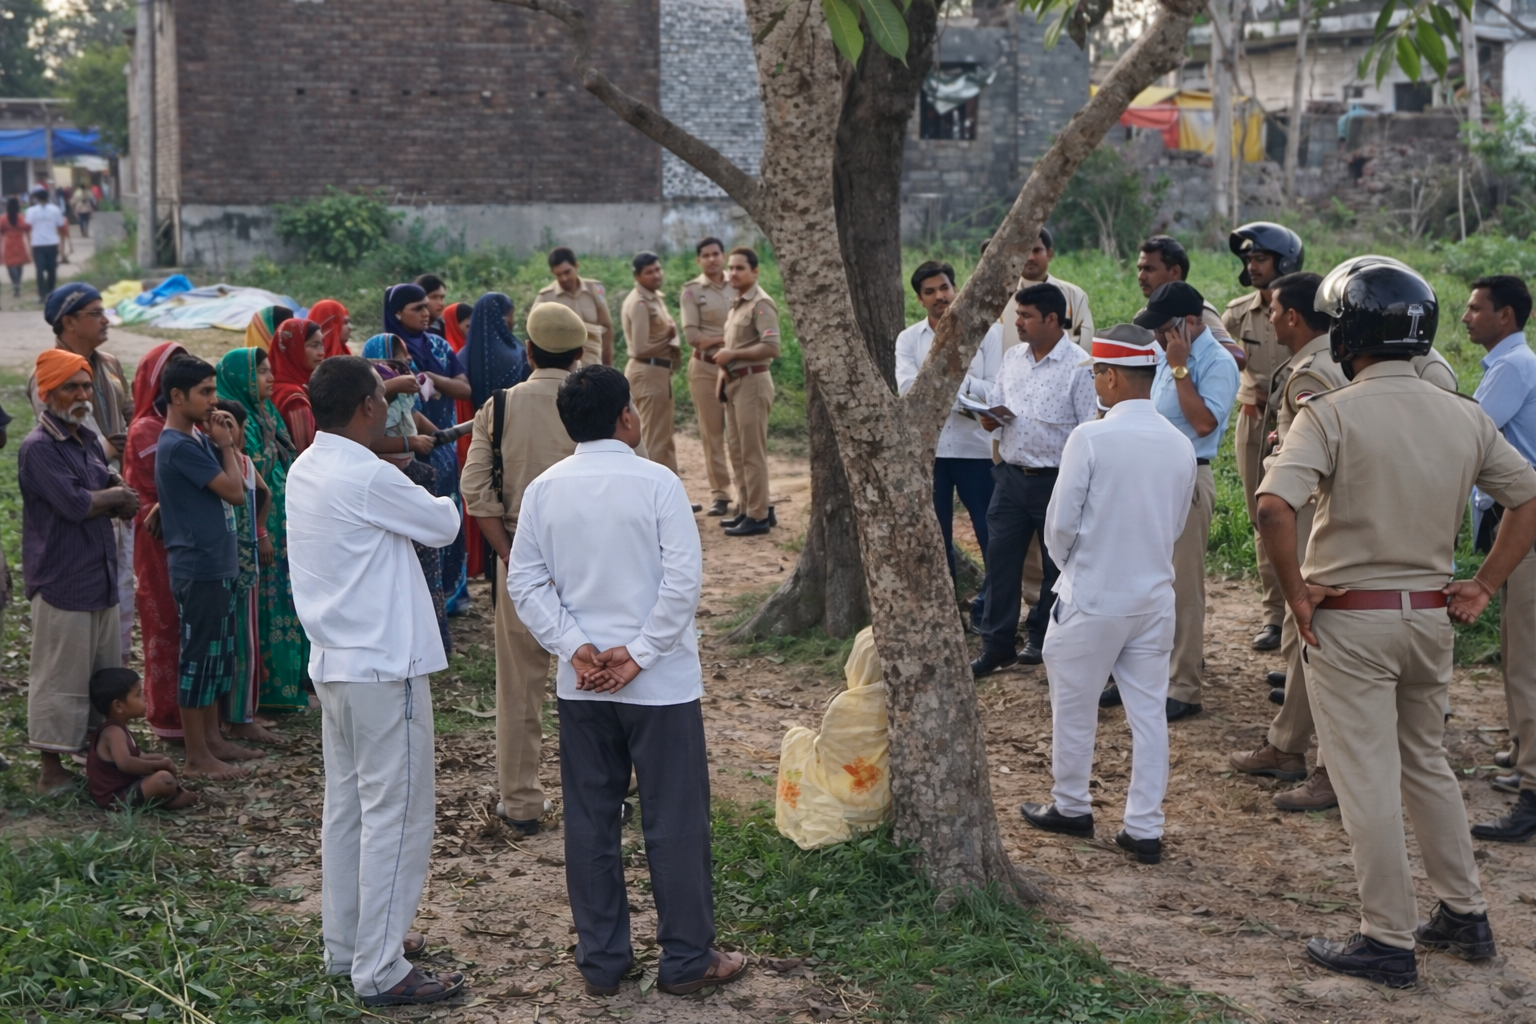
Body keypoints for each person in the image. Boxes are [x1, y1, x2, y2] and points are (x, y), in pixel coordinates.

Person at [1256, 257, 1536, 987]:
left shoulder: (1334, 412)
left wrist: (1296, 596)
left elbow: (1272, 506)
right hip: (1429, 620)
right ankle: (1464, 915)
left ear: (1349, 333)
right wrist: (1482, 583)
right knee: (1428, 767)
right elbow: (1527, 498)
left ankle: (1386, 938)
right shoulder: (1464, 412)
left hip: (1352, 622)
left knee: (1367, 781)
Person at [508, 363, 746, 998]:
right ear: (626, 417)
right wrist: (638, 655)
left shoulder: (544, 490)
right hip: (660, 685)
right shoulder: (657, 483)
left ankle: (604, 962)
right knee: (675, 819)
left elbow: (524, 583)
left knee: (590, 820)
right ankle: (688, 958)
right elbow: (682, 583)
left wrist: (576, 649)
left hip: (583, 684)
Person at [285, 356, 464, 1008]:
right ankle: (381, 968)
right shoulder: (364, 473)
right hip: (385, 667)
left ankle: (350, 943)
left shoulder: (306, 465)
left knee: (350, 808)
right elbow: (444, 523)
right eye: (381, 403)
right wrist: (415, 475)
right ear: (367, 407)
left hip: (335, 663)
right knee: (398, 813)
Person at [1019, 325, 1196, 865]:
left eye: (1097, 371)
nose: (1096, 380)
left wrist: (1078, 569)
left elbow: (1059, 527)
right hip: (1152, 597)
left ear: (1111, 376)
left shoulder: (1091, 438)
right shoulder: (1179, 442)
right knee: (1148, 715)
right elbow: (1177, 522)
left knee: (1073, 708)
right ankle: (1144, 827)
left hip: (1093, 596)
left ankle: (1071, 805)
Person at [462, 303, 585, 835]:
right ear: (580, 355)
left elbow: (475, 492)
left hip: (522, 558)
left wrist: (509, 552)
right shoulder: (596, 400)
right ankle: (607, 791)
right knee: (598, 676)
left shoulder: (499, 406)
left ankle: (521, 803)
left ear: (528, 352)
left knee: (519, 687)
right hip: (590, 560)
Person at [1227, 272, 1344, 812]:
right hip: (1309, 514)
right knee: (1305, 640)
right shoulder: (1321, 362)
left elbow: (1322, 461)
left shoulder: (1313, 374)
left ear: (1293, 316)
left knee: (1314, 636)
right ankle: (1287, 744)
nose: (1268, 318)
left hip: (1307, 516)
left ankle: (1308, 756)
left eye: (1273, 310)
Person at [1101, 282, 1239, 721]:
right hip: (1147, 477)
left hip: (1186, 477)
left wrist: (1181, 368)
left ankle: (1183, 684)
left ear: (1190, 322)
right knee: (1137, 577)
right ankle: (1134, 674)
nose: (1159, 339)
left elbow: (1202, 424)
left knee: (1181, 587)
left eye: (1164, 330)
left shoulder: (1215, 362)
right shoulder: (1162, 355)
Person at [20, 349, 137, 794]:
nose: (82, 394)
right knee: (58, 678)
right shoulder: (38, 449)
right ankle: (51, 772)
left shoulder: (86, 439)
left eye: (86, 386)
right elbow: (75, 504)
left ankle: (100, 764)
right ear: (48, 394)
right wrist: (116, 497)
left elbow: (105, 482)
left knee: (100, 674)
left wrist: (115, 490)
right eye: (71, 387)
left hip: (98, 572)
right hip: (62, 579)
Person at [971, 283, 1096, 677]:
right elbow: (998, 402)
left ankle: (1043, 638)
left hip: (1056, 481)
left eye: (1025, 316)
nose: (1016, 322)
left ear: (1052, 319)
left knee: (1055, 566)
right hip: (1009, 476)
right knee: (1000, 561)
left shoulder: (1080, 366)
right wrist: (989, 418)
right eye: (1017, 314)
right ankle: (996, 645)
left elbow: (1088, 429)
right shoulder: (1013, 357)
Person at [157, 354, 263, 779]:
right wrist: (225, 446)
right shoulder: (179, 445)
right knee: (199, 659)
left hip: (215, 563)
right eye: (204, 392)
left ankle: (214, 740)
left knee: (218, 656)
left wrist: (222, 444)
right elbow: (236, 493)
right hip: (198, 567)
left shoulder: (194, 439)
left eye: (214, 390)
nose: (214, 401)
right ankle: (197, 756)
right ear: (177, 396)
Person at [1462, 275, 1536, 840]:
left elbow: (1467, 431)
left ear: (1505, 316)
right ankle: (1521, 753)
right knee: (1517, 647)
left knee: (1527, 657)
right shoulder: (1509, 365)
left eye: (1476, 308)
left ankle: (1532, 790)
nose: (1466, 317)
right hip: (1513, 521)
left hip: (1524, 523)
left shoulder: (1512, 368)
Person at [895, 260, 1003, 630]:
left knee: (992, 537)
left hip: (977, 450)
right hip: (932, 454)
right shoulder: (909, 340)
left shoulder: (987, 335)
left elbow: (995, 392)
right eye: (930, 291)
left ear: (956, 288)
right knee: (935, 539)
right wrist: (963, 382)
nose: (940, 296)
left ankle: (989, 615)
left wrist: (947, 383)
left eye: (945, 287)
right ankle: (945, 618)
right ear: (920, 298)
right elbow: (909, 392)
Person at [35, 283, 135, 662]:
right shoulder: (50, 372)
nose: (105, 320)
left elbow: (129, 412)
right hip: (81, 495)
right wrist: (106, 451)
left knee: (121, 584)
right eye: (95, 314)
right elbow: (54, 439)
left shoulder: (108, 364)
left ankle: (114, 688)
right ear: (69, 322)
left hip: (118, 490)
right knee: (86, 589)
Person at [1223, 223, 1305, 653]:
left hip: (1304, 419)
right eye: (1248, 260)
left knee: (1305, 515)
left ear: (1285, 261)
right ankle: (1274, 616)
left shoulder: (1311, 305)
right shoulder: (1238, 312)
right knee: (1262, 515)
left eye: (1260, 259)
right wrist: (1244, 391)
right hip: (1256, 420)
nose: (1252, 266)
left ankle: (1301, 610)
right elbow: (1221, 354)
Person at [217, 347, 311, 715]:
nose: (269, 378)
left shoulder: (267, 412)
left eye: (270, 370)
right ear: (241, 378)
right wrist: (262, 531)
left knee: (287, 600)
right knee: (266, 606)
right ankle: (269, 691)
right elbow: (250, 478)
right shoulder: (238, 422)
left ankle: (293, 682)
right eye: (260, 372)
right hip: (260, 526)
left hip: (282, 522)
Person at [384, 283, 473, 616]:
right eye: (417, 308)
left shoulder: (438, 345)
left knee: (448, 514)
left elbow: (464, 389)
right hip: (402, 450)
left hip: (442, 442)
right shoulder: (387, 351)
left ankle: (453, 593)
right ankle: (422, 600)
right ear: (396, 314)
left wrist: (431, 375)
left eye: (427, 307)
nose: (426, 313)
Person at [124, 342, 188, 739]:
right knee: (164, 620)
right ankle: (167, 714)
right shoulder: (146, 429)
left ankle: (197, 713)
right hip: (157, 539)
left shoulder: (183, 424)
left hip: (187, 534)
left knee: (192, 625)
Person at [212, 397, 275, 744]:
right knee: (226, 644)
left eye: (233, 426)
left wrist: (260, 531)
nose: (231, 433)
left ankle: (241, 715)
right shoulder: (219, 464)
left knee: (245, 643)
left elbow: (264, 495)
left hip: (244, 565)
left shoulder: (244, 463)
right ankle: (230, 717)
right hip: (224, 564)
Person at [463, 293, 530, 580]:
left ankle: (492, 563)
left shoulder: (461, 356)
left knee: (483, 496)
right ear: (504, 317)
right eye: (511, 313)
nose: (513, 319)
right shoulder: (515, 353)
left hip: (476, 436)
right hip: (515, 435)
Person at [715, 247, 779, 537]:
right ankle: (746, 507)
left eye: (740, 268)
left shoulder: (761, 303)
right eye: (731, 268)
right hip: (735, 384)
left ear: (755, 271)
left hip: (754, 382)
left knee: (752, 452)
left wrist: (732, 354)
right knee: (738, 450)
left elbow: (771, 347)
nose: (733, 273)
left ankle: (758, 515)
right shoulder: (737, 304)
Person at [87, 667, 198, 811]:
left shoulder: (119, 728)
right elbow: (126, 763)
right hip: (116, 798)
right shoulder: (113, 732)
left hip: (127, 788)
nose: (145, 697)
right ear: (118, 706)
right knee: (163, 780)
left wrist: (158, 759)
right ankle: (166, 802)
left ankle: (168, 797)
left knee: (163, 771)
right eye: (138, 694)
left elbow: (137, 756)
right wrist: (156, 766)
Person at [679, 237, 736, 516]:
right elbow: (693, 337)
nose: (712, 259)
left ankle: (749, 493)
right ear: (698, 260)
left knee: (740, 433)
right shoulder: (691, 292)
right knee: (712, 434)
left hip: (738, 367)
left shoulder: (739, 284)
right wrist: (730, 339)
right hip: (706, 369)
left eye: (716, 254)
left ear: (723, 256)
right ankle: (721, 494)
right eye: (706, 255)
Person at [1135, 235, 1245, 367]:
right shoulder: (1143, 315)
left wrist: (1183, 355)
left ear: (1175, 272)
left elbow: (1237, 358)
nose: (1141, 276)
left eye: (1149, 269)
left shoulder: (1196, 311)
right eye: (1140, 269)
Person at [622, 251, 681, 474]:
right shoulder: (639, 303)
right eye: (649, 272)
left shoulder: (654, 297)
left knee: (665, 437)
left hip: (660, 372)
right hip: (648, 370)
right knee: (654, 438)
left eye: (658, 269)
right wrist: (669, 337)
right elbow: (639, 348)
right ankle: (652, 499)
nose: (656, 275)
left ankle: (672, 495)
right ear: (637, 276)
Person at [998, 228, 1094, 351]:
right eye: (1024, 250)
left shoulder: (1074, 295)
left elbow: (1085, 344)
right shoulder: (999, 297)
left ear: (1049, 254)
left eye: (1036, 250)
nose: (1030, 257)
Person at [533, 247, 614, 368]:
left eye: (567, 272)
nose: (564, 278)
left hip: (594, 367)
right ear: (552, 272)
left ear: (576, 265)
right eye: (558, 274)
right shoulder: (545, 297)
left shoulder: (596, 289)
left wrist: (608, 367)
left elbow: (607, 329)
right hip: (564, 371)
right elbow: (535, 336)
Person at [270, 318, 325, 453]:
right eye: (314, 345)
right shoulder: (295, 400)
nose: (321, 352)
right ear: (294, 348)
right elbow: (306, 453)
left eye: (322, 344)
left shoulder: (275, 384)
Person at [24, 188, 66, 301]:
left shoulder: (31, 211)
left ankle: (42, 294)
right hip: (52, 243)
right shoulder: (55, 210)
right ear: (48, 197)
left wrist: (29, 241)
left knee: (40, 269)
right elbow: (61, 226)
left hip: (37, 244)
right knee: (52, 269)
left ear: (36, 198)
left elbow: (27, 227)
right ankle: (50, 291)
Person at [1, 196, 31, 301]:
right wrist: (30, 243)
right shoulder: (21, 217)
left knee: (10, 265)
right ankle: (17, 283)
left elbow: (1, 232)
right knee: (19, 264)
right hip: (19, 243)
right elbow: (26, 229)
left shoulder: (4, 218)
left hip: (9, 243)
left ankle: (15, 283)